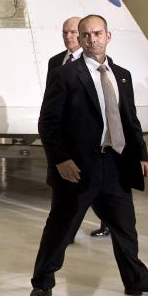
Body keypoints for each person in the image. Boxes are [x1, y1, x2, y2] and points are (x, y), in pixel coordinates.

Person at [29, 14, 148, 296]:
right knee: (60, 227)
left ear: (108, 36)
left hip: (116, 163)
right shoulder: (66, 75)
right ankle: (43, 284)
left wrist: (141, 154)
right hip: (78, 167)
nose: (91, 39)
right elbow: (47, 123)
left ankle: (136, 281)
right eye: (85, 34)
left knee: (125, 226)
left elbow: (129, 118)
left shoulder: (122, 74)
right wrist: (61, 160)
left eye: (97, 33)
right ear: (80, 39)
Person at [47, 16, 109, 238]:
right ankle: (65, 232)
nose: (69, 37)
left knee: (92, 186)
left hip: (87, 139)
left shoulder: (97, 62)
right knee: (63, 187)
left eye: (73, 32)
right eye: (65, 32)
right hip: (63, 139)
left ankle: (103, 223)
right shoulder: (55, 62)